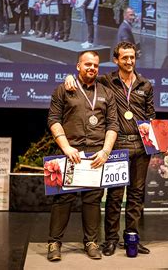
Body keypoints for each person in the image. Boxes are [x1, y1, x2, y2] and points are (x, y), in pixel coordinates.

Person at [64, 41, 156, 256]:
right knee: (115, 196)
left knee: (136, 195)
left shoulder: (145, 84)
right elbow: (83, 77)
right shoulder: (107, 81)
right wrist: (68, 77)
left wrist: (161, 141)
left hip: (141, 146)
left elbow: (151, 117)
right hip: (118, 144)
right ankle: (111, 239)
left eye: (132, 57)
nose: (129, 61)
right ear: (116, 60)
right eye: (125, 58)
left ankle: (132, 236)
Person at [47, 50, 119, 261]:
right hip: (70, 153)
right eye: (87, 64)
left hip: (95, 155)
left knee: (93, 201)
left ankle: (91, 242)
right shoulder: (64, 89)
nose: (92, 68)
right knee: (63, 200)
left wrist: (106, 151)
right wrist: (66, 148)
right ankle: (54, 243)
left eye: (95, 65)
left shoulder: (107, 92)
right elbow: (53, 120)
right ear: (78, 66)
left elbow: (113, 125)